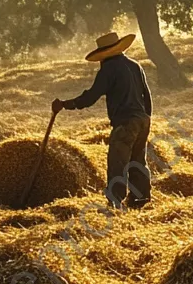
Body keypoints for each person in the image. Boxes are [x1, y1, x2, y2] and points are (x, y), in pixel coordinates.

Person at [53, 31, 153, 209]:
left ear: (103, 55)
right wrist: (147, 118)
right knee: (138, 161)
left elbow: (91, 97)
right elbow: (147, 95)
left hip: (125, 122)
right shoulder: (135, 65)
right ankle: (141, 199)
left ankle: (115, 202)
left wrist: (66, 104)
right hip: (142, 119)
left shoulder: (108, 69)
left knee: (117, 162)